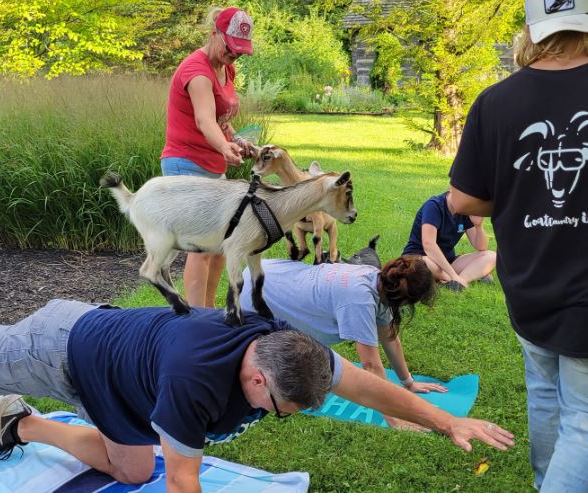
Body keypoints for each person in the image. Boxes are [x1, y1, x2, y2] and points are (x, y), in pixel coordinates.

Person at [0, 280, 513, 491]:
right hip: (61, 348)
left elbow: (370, 389)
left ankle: (20, 425)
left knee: (129, 467)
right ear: (254, 374)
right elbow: (183, 484)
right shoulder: (196, 385)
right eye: (280, 410)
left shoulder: (297, 354)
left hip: (120, 386)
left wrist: (445, 421)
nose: (284, 416)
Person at [448, 2, 588, 490]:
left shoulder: (496, 100)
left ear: (532, 28)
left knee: (545, 393)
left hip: (529, 282)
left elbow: (462, 199)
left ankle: (544, 480)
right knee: (585, 420)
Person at [241, 256, 446, 431]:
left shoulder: (379, 282)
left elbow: (390, 337)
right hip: (261, 288)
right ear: (405, 299)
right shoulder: (360, 299)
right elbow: (370, 366)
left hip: (271, 272)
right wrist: (394, 418)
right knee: (264, 362)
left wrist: (408, 382)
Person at [160, 6, 253, 309]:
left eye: (240, 51)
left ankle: (208, 312)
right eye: (230, 48)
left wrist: (237, 140)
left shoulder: (226, 68)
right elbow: (204, 120)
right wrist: (225, 148)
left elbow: (221, 119)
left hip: (211, 166)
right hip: (185, 165)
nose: (234, 55)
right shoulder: (196, 70)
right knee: (201, 247)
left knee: (219, 246)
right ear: (214, 33)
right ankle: (197, 319)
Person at [401, 190, 496, 291]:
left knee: (491, 256)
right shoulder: (434, 206)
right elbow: (429, 245)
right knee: (423, 263)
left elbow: (481, 247)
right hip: (419, 259)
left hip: (447, 262)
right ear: (453, 190)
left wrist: (478, 226)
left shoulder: (465, 210)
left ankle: (459, 282)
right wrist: (453, 274)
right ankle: (455, 278)